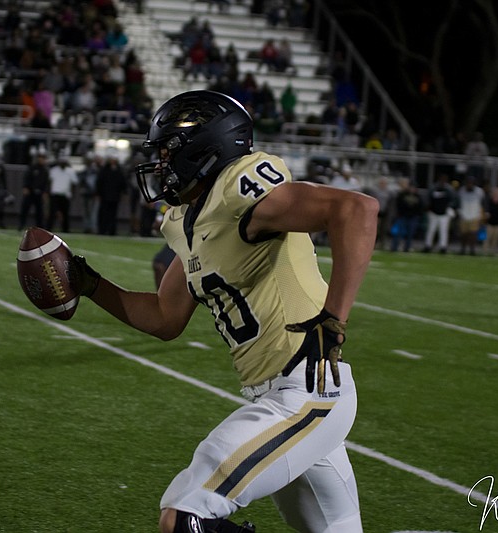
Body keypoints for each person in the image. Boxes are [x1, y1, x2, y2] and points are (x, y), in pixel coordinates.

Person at [69, 90, 376, 532]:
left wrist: (333, 318)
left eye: (168, 152)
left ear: (205, 150)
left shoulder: (239, 188)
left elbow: (356, 210)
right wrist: (92, 285)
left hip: (306, 389)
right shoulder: (186, 219)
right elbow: (164, 316)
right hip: (275, 396)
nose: (160, 165)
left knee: (185, 514)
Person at [423, 173, 454, 254]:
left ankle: (443, 247)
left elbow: (453, 200)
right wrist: (429, 208)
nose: (443, 181)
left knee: (443, 231)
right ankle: (428, 246)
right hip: (433, 212)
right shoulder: (433, 188)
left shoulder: (449, 189)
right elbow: (427, 199)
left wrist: (449, 208)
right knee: (431, 230)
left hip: (444, 214)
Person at [95, 156, 127, 235]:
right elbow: (99, 182)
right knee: (104, 214)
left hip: (114, 197)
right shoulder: (104, 171)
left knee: (113, 215)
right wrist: (98, 193)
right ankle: (102, 230)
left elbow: (122, 183)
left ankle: (111, 230)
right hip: (105, 196)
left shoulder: (119, 171)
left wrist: (123, 192)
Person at [46, 157, 79, 233]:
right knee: (52, 213)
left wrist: (72, 194)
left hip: (65, 195)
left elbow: (74, 184)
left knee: (66, 213)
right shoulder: (54, 170)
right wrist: (48, 192)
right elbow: (49, 182)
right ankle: (48, 228)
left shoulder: (70, 171)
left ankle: (65, 229)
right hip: (55, 194)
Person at [390, 178, 423, 252]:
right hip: (403, 216)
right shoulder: (402, 195)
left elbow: (420, 207)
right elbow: (399, 205)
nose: (412, 189)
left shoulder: (418, 196)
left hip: (413, 217)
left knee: (410, 234)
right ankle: (394, 247)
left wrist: (416, 215)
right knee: (398, 233)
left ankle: (407, 248)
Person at [18, 152, 49, 231]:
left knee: (39, 212)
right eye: (40, 158)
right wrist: (25, 187)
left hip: (39, 193)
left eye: (43, 158)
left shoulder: (45, 170)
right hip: (30, 192)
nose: (41, 160)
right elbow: (27, 178)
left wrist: (45, 192)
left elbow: (46, 182)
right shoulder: (32, 168)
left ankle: (40, 228)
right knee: (25, 209)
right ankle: (21, 225)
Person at [456, 175, 485, 255]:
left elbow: (482, 203)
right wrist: (459, 213)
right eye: (468, 183)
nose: (469, 185)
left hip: (474, 215)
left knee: (473, 234)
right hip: (464, 215)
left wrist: (482, 215)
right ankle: (463, 249)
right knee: (463, 234)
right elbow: (458, 202)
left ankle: (472, 250)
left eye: (471, 183)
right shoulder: (462, 190)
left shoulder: (479, 191)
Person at [482, 187, 498, 256]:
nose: (496, 194)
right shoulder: (489, 202)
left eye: (497, 193)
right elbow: (486, 211)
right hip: (489, 223)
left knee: (495, 239)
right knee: (487, 238)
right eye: (495, 193)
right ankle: (485, 251)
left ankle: (494, 252)